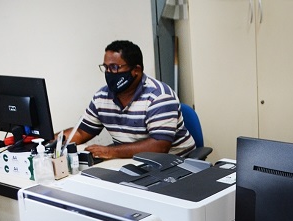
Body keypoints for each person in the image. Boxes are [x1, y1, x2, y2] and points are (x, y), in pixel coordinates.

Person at [63, 40, 195, 159]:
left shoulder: (159, 96)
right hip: (131, 163)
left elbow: (159, 146)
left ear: (136, 70)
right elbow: (81, 132)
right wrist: (50, 140)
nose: (109, 73)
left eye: (114, 67)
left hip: (176, 163)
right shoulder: (102, 97)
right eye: (106, 67)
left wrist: (110, 151)